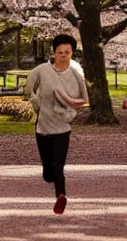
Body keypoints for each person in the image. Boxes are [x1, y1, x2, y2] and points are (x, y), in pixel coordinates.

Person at [27, 34, 88, 215]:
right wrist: (35, 102)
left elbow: (84, 99)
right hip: (43, 128)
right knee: (48, 173)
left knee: (58, 167)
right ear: (53, 52)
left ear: (72, 53)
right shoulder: (41, 70)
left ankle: (61, 197)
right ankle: (52, 180)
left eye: (67, 52)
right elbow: (30, 90)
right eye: (60, 52)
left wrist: (67, 99)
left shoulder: (76, 74)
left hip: (63, 127)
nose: (63, 55)